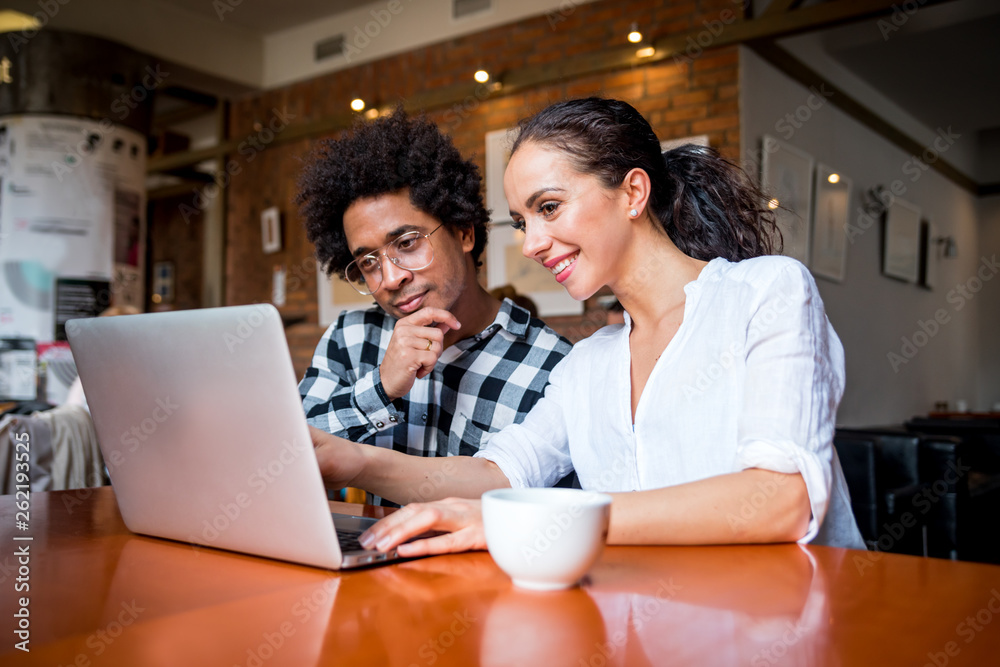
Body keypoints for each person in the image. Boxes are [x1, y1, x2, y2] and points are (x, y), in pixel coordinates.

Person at [309, 97, 865, 553]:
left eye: (548, 207)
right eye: (523, 222)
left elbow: (780, 499)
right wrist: (354, 459)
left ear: (632, 192)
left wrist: (522, 523)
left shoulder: (767, 293)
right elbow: (500, 473)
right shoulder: (589, 362)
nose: (530, 244)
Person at [296, 108, 572, 505]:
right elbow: (287, 459)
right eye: (369, 262)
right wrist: (381, 387)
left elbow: (543, 508)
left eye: (407, 243)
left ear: (463, 232)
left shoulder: (551, 365)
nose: (391, 278)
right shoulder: (351, 338)